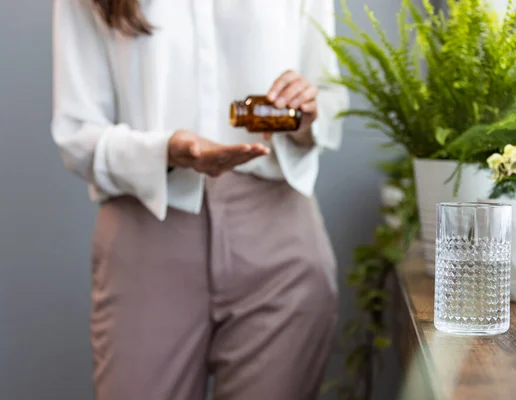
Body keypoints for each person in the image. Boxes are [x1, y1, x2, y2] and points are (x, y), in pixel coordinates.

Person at [52, 0, 348, 399]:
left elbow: (329, 99)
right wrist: (165, 151)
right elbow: (77, 132)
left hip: (278, 243)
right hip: (147, 232)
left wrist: (306, 113)